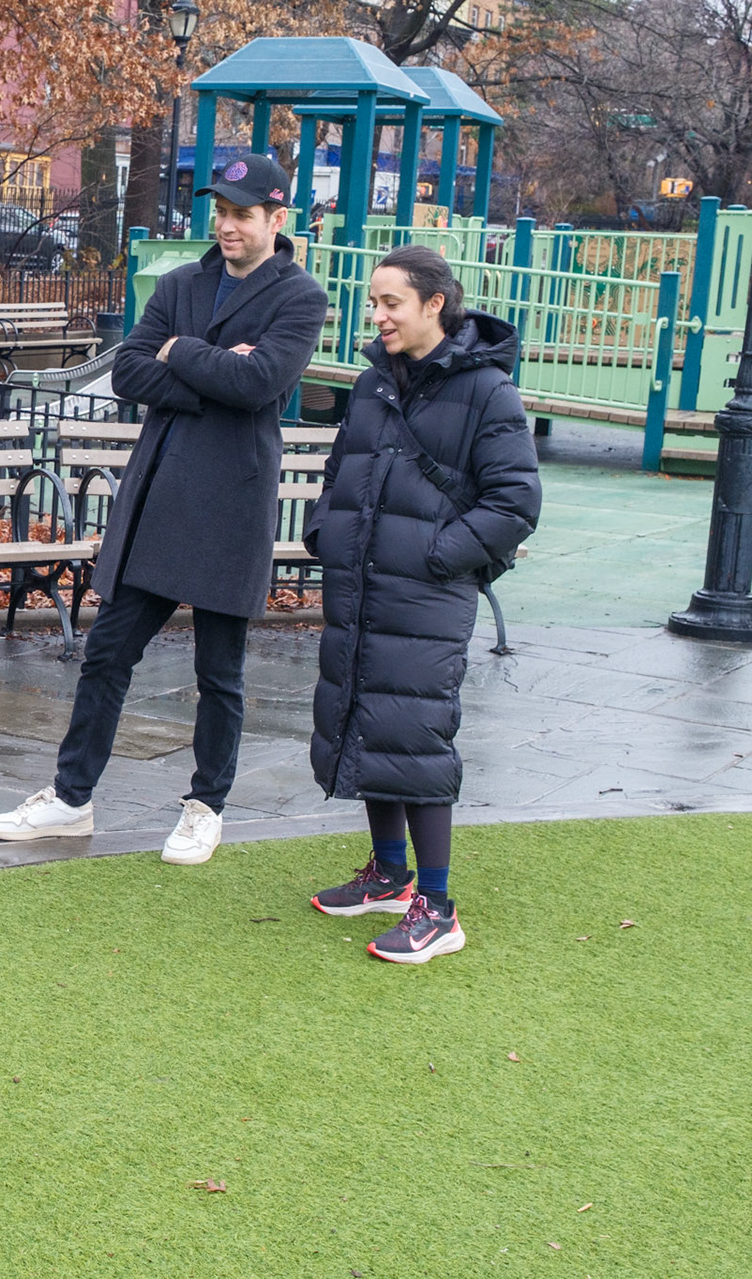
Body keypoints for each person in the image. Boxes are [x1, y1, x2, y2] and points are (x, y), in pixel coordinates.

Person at [0, 153, 328, 862]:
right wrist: (215, 367)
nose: (226, 225)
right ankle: (71, 800)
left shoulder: (299, 297)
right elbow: (132, 372)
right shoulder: (179, 283)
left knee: (219, 674)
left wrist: (182, 352)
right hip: (158, 497)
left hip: (231, 505)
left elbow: (261, 383)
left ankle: (206, 807)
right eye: (221, 211)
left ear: (277, 218)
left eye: (242, 214)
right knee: (106, 654)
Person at [301, 245, 541, 963]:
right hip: (361, 583)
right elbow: (342, 470)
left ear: (434, 303)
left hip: (426, 594)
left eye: (391, 303)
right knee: (369, 722)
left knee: (416, 736)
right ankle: (389, 875)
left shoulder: (487, 391)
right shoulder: (375, 381)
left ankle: (437, 907)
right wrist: (325, 532)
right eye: (374, 302)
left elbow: (515, 502)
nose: (377, 316)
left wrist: (436, 556)